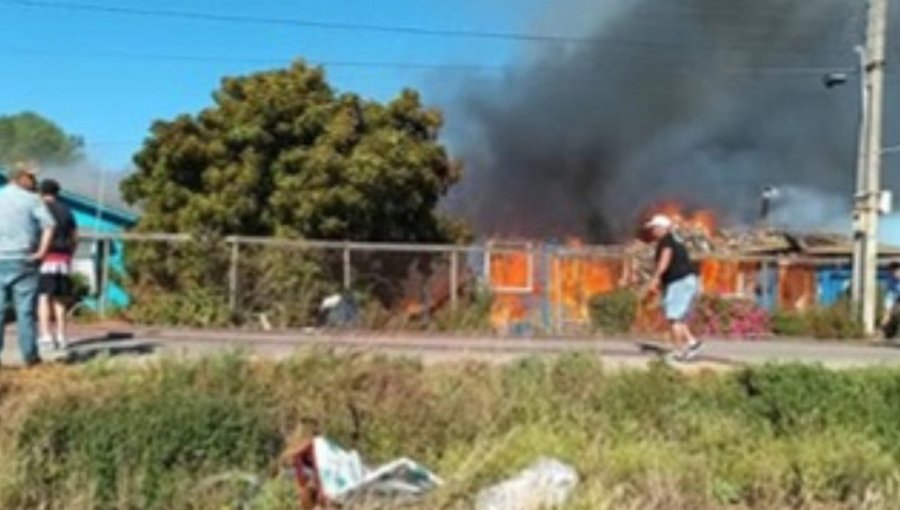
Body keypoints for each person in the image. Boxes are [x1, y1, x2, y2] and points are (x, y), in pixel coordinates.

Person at [0, 168, 56, 367]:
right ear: (22, 178)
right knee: (25, 311)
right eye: (32, 178)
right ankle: (30, 357)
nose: (35, 182)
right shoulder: (32, 199)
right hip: (24, 259)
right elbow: (49, 225)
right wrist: (41, 252)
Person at [644, 214, 702, 360]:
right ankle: (692, 343)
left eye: (654, 228)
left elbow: (665, 260)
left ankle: (680, 351)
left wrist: (655, 279)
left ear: (661, 228)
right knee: (677, 315)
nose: (652, 231)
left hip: (680, 282)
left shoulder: (667, 240)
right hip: (684, 281)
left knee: (673, 317)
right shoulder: (674, 239)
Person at [37, 179, 78, 351]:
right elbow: (75, 235)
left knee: (43, 297)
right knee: (60, 298)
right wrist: (70, 254)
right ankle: (61, 336)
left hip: (46, 258)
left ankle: (46, 336)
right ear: (57, 192)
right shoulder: (67, 210)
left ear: (41, 192)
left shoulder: (40, 209)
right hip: (64, 258)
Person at [881, 262, 900, 339]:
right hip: (892, 295)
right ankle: (885, 330)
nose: (894, 274)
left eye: (895, 271)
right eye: (891, 271)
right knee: (887, 313)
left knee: (896, 313)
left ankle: (892, 329)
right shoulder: (888, 276)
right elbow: (889, 292)